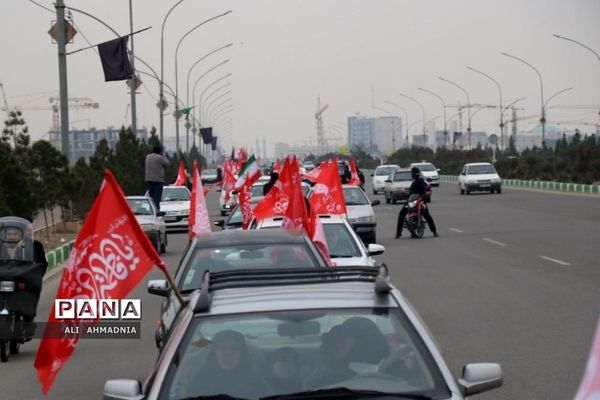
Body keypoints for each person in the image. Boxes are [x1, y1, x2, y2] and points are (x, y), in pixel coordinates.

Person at [188, 330, 268, 398]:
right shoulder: (201, 382)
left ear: (242, 355)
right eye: (223, 348)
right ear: (214, 353)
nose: (228, 353)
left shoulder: (256, 385)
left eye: (234, 349)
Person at [395, 167, 438, 238]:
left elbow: (427, 187)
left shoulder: (421, 181)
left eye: (413, 173)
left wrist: (427, 189)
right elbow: (411, 193)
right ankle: (398, 233)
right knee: (401, 214)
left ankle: (434, 231)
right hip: (411, 201)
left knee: (427, 215)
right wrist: (405, 193)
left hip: (421, 201)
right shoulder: (414, 182)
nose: (413, 175)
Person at [144, 145, 170, 211]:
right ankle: (156, 209)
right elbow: (167, 164)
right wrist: (164, 156)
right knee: (157, 195)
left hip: (149, 179)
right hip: (158, 179)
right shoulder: (159, 157)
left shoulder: (148, 157)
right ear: (160, 152)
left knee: (151, 195)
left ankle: (151, 209)